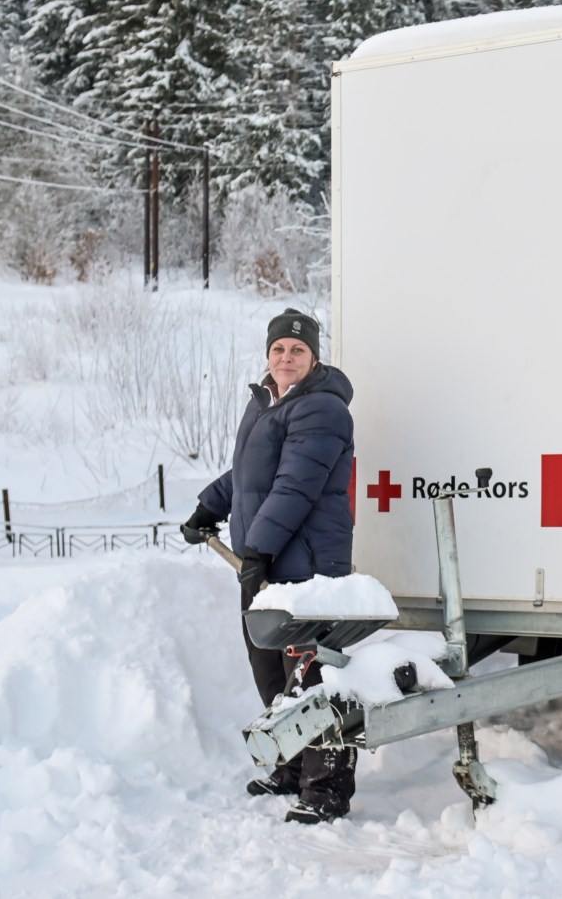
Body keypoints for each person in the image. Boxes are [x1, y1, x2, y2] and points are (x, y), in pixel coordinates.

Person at [179, 307, 358, 825]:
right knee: (270, 672)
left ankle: (326, 789)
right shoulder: (266, 404)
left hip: (306, 566)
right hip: (266, 560)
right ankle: (291, 765)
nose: (286, 357)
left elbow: (295, 486)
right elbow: (248, 475)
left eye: (297, 350)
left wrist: (256, 550)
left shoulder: (323, 409)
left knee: (312, 676)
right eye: (279, 349)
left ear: (314, 357)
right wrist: (209, 506)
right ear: (267, 354)